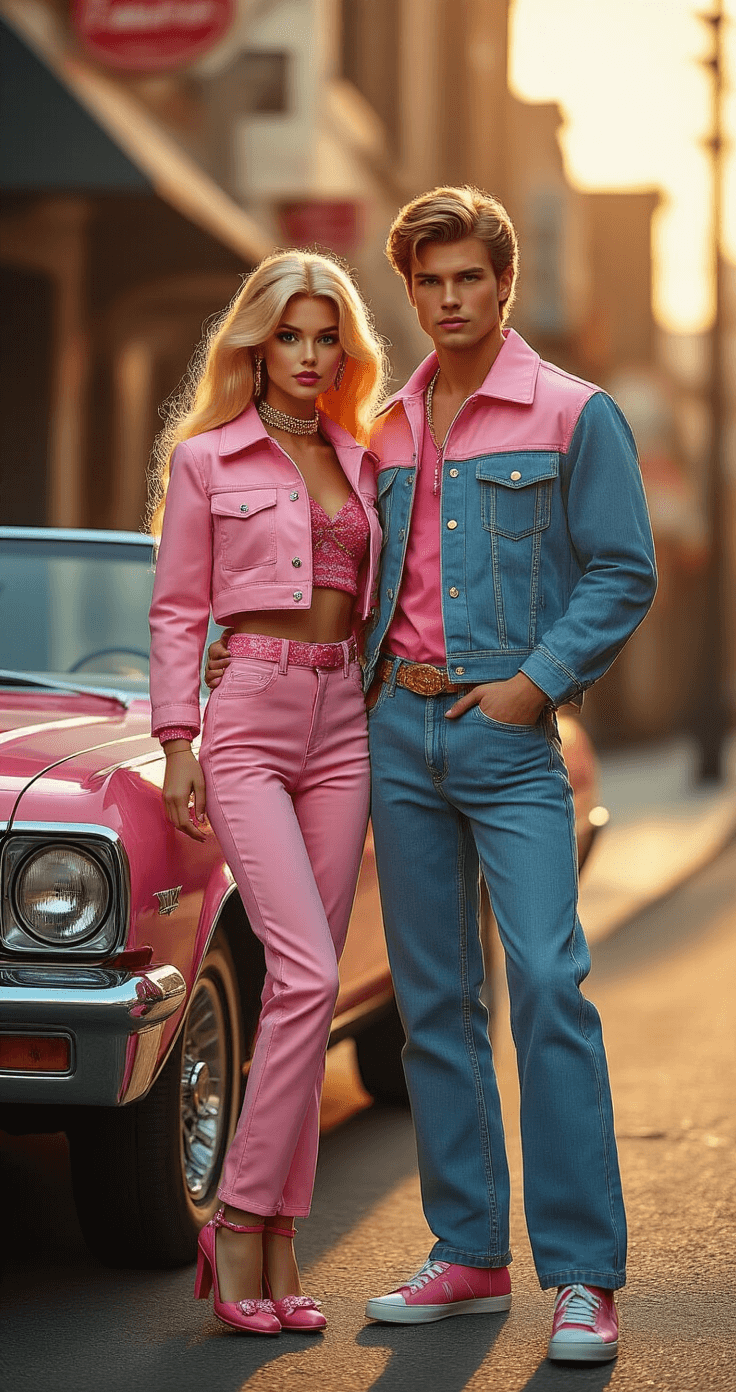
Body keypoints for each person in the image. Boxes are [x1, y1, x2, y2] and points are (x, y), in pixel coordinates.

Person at [206, 186, 657, 1363]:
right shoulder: (385, 429)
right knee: (433, 1010)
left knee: (550, 985)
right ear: (408, 293)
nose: (451, 300)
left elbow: (621, 573)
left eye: (470, 278)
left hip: (510, 740)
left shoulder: (573, 414)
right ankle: (469, 1253)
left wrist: (535, 685)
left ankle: (583, 1278)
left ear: (503, 285)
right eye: (430, 282)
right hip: (392, 739)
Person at [148, 250, 386, 1335]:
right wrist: (177, 739)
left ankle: (283, 1249)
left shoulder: (361, 457)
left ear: (344, 348)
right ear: (255, 343)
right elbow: (176, 610)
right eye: (287, 335)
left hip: (344, 722)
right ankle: (237, 1223)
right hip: (247, 718)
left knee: (316, 984)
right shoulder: (207, 460)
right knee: (296, 969)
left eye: (324, 336)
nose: (306, 355)